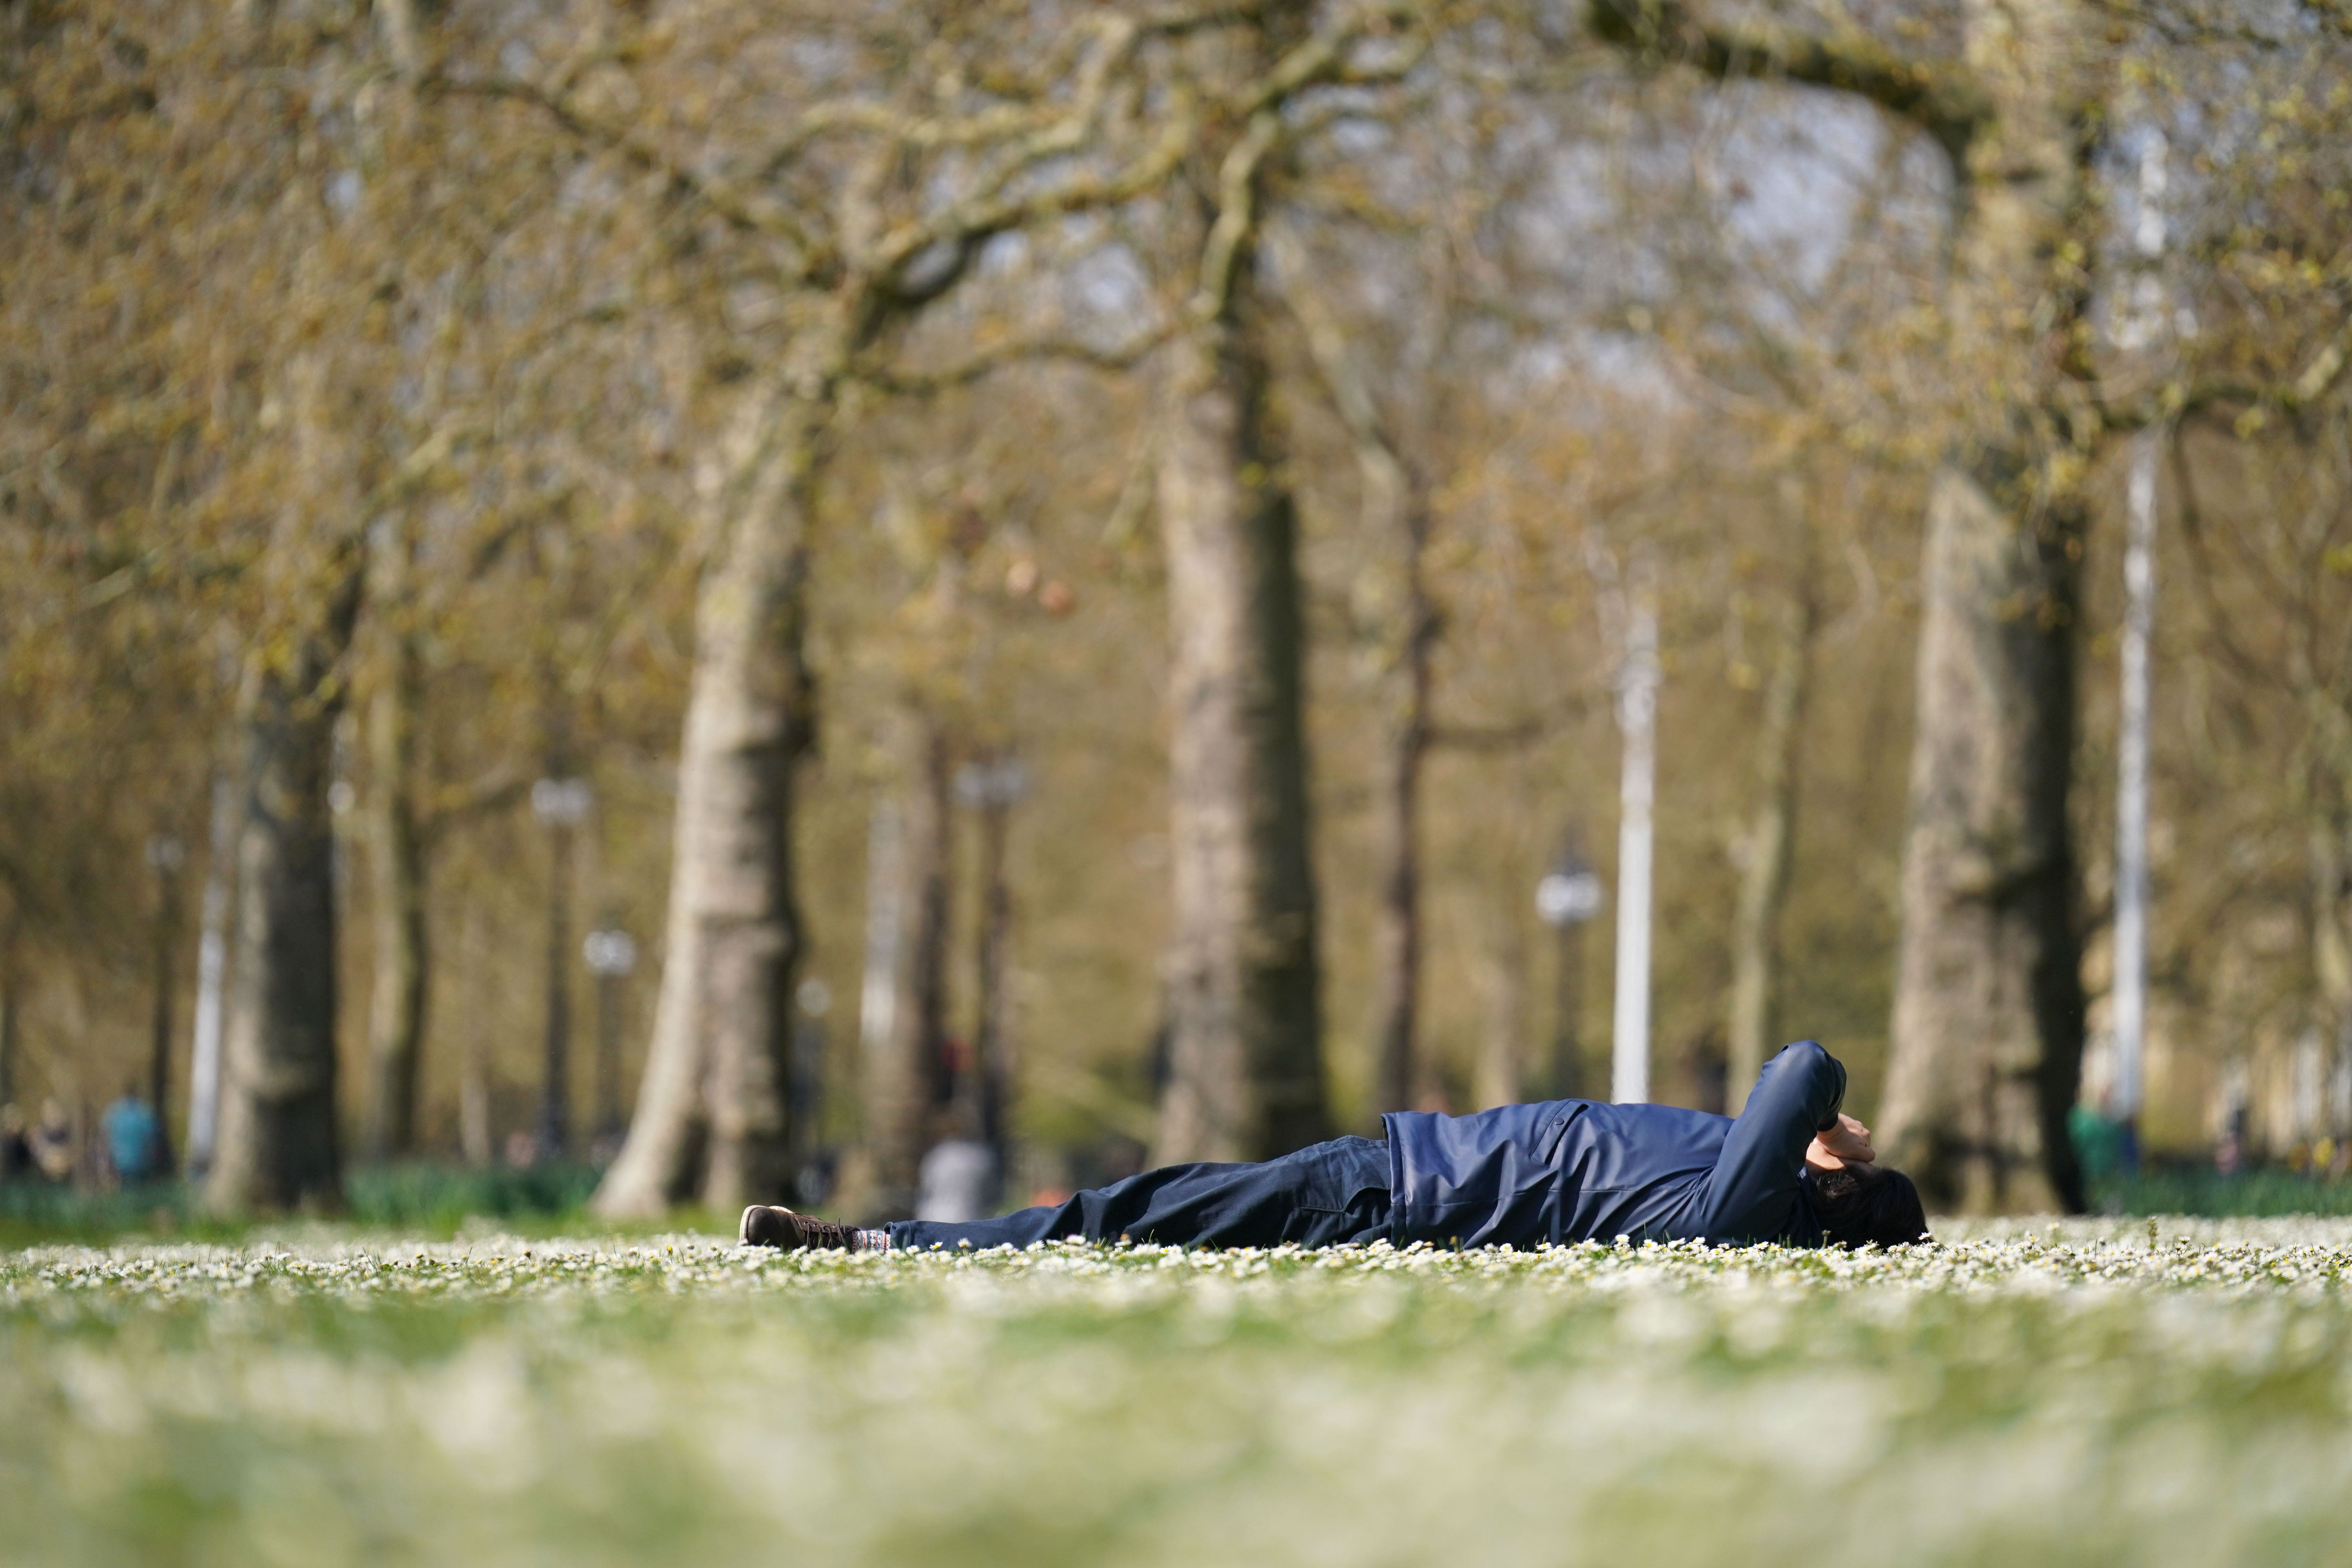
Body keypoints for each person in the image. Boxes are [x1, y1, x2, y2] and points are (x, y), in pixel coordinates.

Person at [742, 1039, 1929, 1255]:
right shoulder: (1736, 1203)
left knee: (1114, 1215)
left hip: (1382, 1194)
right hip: (1386, 1185)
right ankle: (881, 1236)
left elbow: (1800, 1059)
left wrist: (1826, 1124)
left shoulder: (1743, 1201)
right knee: (1126, 1215)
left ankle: (869, 1238)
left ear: (1837, 1182)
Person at [101, 1087, 161, 1187]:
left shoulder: (114, 1113)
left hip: (120, 1163)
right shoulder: (145, 1113)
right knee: (141, 1191)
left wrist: (108, 1161)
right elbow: (153, 1139)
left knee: (125, 1190)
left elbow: (105, 1137)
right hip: (141, 1162)